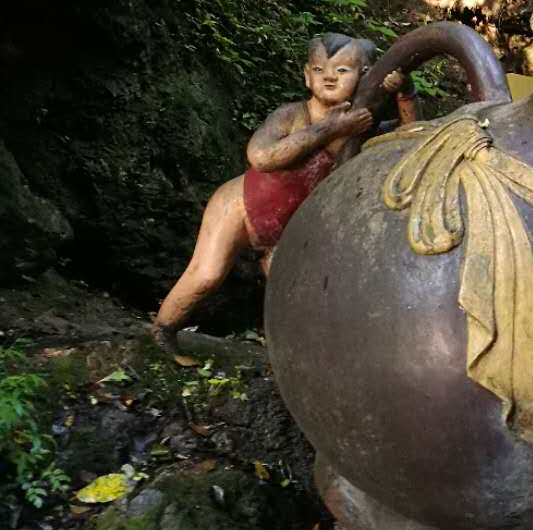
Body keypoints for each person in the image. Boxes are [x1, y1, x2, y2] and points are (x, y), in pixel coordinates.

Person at [151, 32, 418, 349]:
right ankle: (162, 331)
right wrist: (328, 129)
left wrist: (405, 94)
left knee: (294, 295)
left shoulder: (361, 129)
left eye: (342, 70)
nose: (329, 77)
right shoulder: (293, 115)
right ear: (307, 76)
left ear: (364, 75)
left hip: (285, 233)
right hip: (239, 209)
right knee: (207, 274)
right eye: (319, 69)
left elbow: (409, 141)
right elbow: (261, 156)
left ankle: (291, 358)